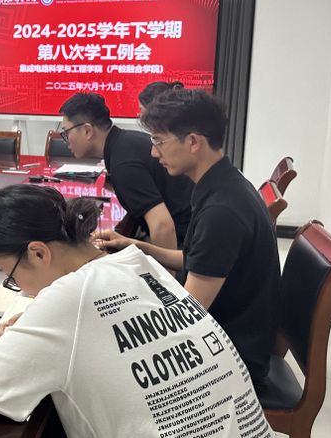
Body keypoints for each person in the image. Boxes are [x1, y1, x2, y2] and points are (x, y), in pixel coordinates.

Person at [0, 185, 289, 438]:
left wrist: (6, 332)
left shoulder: (66, 298)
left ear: (38, 253)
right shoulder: (138, 263)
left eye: (10, 276)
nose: (20, 290)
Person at [95, 89, 280, 393]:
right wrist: (137, 246)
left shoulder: (222, 211)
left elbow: (189, 315)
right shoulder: (223, 184)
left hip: (231, 355)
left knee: (104, 359)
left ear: (193, 142)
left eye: (159, 141)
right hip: (229, 332)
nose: (154, 153)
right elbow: (197, 261)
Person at [59, 93, 192, 249]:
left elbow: (163, 225)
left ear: (87, 131)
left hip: (186, 244)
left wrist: (160, 266)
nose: (66, 140)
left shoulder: (123, 163)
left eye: (66, 132)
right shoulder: (125, 142)